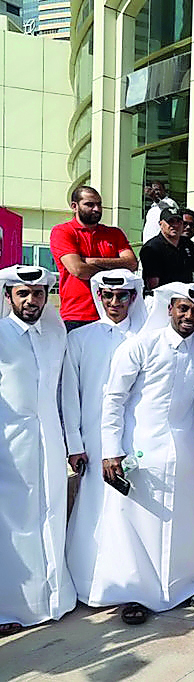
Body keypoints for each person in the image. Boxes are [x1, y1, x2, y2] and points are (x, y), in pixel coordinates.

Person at [82, 283, 194, 624]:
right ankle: (134, 594)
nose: (189, 316)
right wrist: (111, 451)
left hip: (184, 450)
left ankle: (187, 585)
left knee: (186, 521)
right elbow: (114, 399)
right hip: (140, 449)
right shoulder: (141, 345)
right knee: (136, 524)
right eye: (183, 308)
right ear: (169, 309)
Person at [64, 270, 148, 612]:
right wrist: (74, 444)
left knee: (130, 511)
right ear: (99, 297)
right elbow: (69, 394)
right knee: (94, 510)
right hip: (93, 439)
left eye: (122, 296)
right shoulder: (80, 338)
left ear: (133, 297)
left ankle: (131, 582)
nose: (115, 302)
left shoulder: (146, 336)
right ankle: (88, 580)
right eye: (108, 296)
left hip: (134, 437)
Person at [0, 265, 75, 636]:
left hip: (50, 441)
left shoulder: (55, 334)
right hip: (8, 447)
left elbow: (64, 390)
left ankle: (53, 598)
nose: (31, 300)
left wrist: (72, 442)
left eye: (38, 293)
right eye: (23, 294)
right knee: (13, 524)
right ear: (9, 296)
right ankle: (11, 605)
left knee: (51, 514)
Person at [50, 185, 138, 330]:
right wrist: (115, 269)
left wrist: (92, 260)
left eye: (99, 204)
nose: (97, 209)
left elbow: (132, 263)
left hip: (115, 315)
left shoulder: (114, 233)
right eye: (90, 204)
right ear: (74, 206)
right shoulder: (63, 232)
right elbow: (79, 270)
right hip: (78, 315)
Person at [140, 206, 194, 290]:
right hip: (163, 295)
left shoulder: (187, 244)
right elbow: (153, 286)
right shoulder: (152, 248)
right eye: (170, 221)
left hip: (187, 294)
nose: (175, 225)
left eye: (178, 221)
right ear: (161, 224)